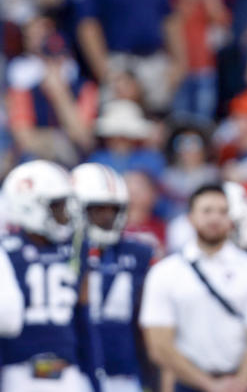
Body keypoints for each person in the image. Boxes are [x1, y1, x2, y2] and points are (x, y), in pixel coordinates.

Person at [139, 184, 247, 392]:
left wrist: (241, 384)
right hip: (189, 383)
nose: (215, 218)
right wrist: (209, 385)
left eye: (222, 211)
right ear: (190, 218)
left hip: (242, 383)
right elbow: (159, 345)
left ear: (231, 219)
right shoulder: (165, 272)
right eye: (207, 211)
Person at [0, 160, 103, 391]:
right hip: (18, 372)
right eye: (57, 206)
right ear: (28, 205)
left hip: (68, 371)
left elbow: (83, 319)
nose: (65, 214)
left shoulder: (77, 248)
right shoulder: (6, 252)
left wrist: (94, 378)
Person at [73, 162, 154, 392]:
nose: (107, 217)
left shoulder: (140, 253)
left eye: (113, 209)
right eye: (98, 209)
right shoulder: (61, 253)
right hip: (74, 371)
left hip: (123, 372)